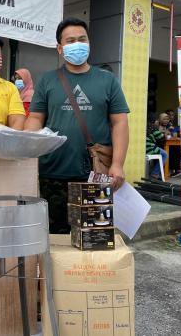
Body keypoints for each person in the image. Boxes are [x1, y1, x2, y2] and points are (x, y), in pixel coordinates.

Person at [24, 17, 129, 234]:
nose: (77, 44)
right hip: (52, 173)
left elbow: (119, 123)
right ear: (60, 48)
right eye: (70, 41)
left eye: (82, 39)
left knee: (93, 237)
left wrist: (117, 164)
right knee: (55, 237)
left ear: (89, 43)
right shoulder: (47, 80)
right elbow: (35, 119)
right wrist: (25, 148)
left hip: (95, 174)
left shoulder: (107, 80)